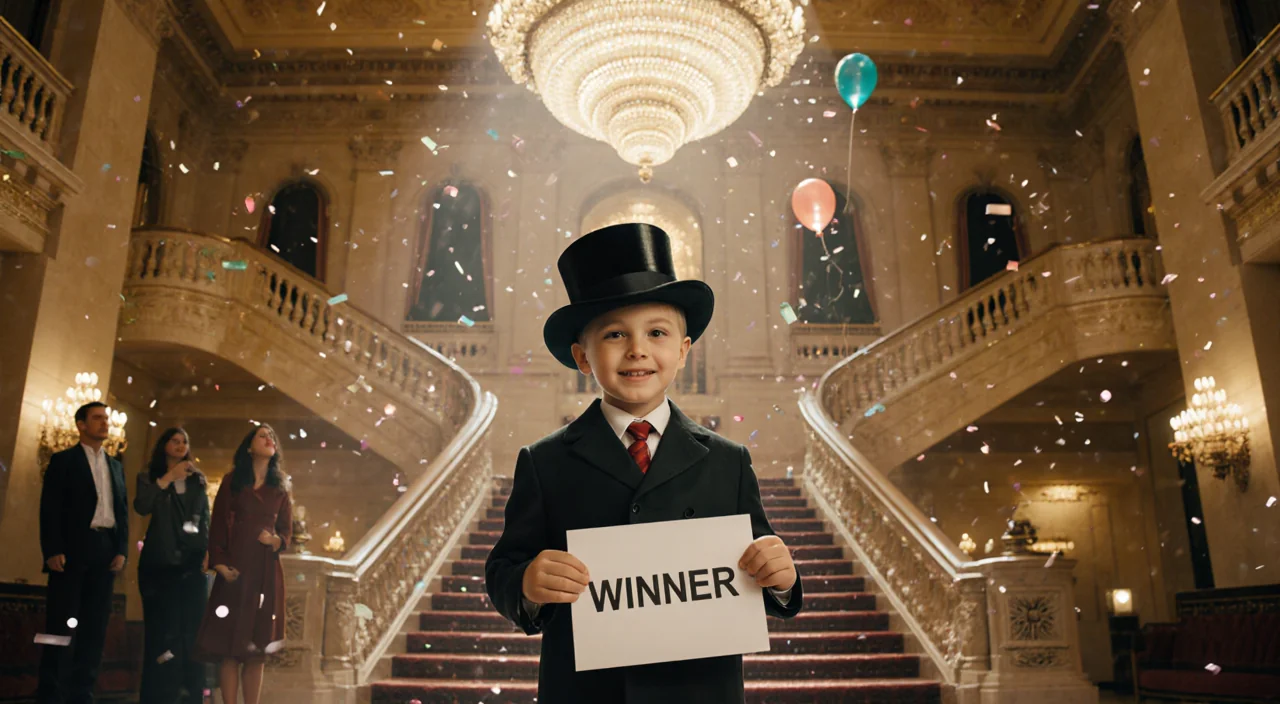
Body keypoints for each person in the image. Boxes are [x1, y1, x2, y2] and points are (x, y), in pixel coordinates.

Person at [485, 223, 804, 703]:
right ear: (583, 357)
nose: (637, 349)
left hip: (701, 691)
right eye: (614, 334)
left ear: (682, 349)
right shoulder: (544, 462)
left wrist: (782, 578)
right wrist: (527, 583)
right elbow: (504, 569)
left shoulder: (728, 461)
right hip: (588, 691)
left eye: (656, 332)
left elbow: (760, 567)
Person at [37, 401, 129, 704]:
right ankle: (50, 694)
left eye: (106, 419)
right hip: (72, 550)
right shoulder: (64, 460)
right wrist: (52, 549)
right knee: (59, 627)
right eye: (97, 418)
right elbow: (49, 508)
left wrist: (121, 549)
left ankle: (82, 694)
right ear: (80, 425)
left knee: (94, 627)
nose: (105, 423)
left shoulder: (116, 465)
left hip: (105, 550)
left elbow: (121, 511)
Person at [193, 425, 291, 704]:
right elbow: (218, 527)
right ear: (249, 447)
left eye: (272, 436)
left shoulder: (281, 486)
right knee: (229, 647)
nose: (269, 439)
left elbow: (287, 532)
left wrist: (276, 541)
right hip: (234, 571)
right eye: (262, 435)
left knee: (256, 649)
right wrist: (220, 564)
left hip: (265, 573)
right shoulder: (232, 481)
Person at [135, 428, 210, 703]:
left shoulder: (197, 479)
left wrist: (207, 550)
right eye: (174, 441)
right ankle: (158, 697)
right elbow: (142, 506)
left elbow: (203, 518)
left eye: (185, 442)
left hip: (191, 567)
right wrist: (167, 478)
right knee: (160, 636)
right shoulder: (149, 476)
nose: (180, 445)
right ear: (164, 446)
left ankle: (190, 697)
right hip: (159, 566)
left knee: (191, 637)